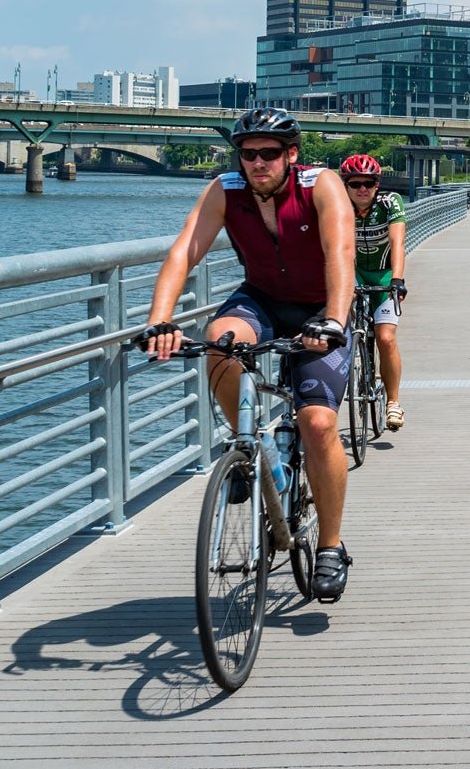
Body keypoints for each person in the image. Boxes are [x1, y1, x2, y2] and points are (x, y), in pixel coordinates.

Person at [142, 108, 359, 601]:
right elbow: (183, 251)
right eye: (248, 154)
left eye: (269, 154)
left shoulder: (320, 185)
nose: (257, 163)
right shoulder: (226, 190)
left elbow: (342, 254)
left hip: (320, 306)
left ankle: (329, 545)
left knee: (319, 424)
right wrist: (160, 320)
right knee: (219, 341)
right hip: (260, 297)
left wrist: (334, 321)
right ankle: (249, 450)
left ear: (291, 155)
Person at [339, 153, 409, 432]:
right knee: (337, 332)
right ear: (345, 185)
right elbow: (337, 249)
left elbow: (398, 241)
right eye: (355, 184)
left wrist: (398, 279)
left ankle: (393, 402)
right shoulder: (339, 207)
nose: (362, 189)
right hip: (353, 270)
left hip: (384, 274)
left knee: (386, 337)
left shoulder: (390, 203)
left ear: (377, 184)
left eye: (369, 183)